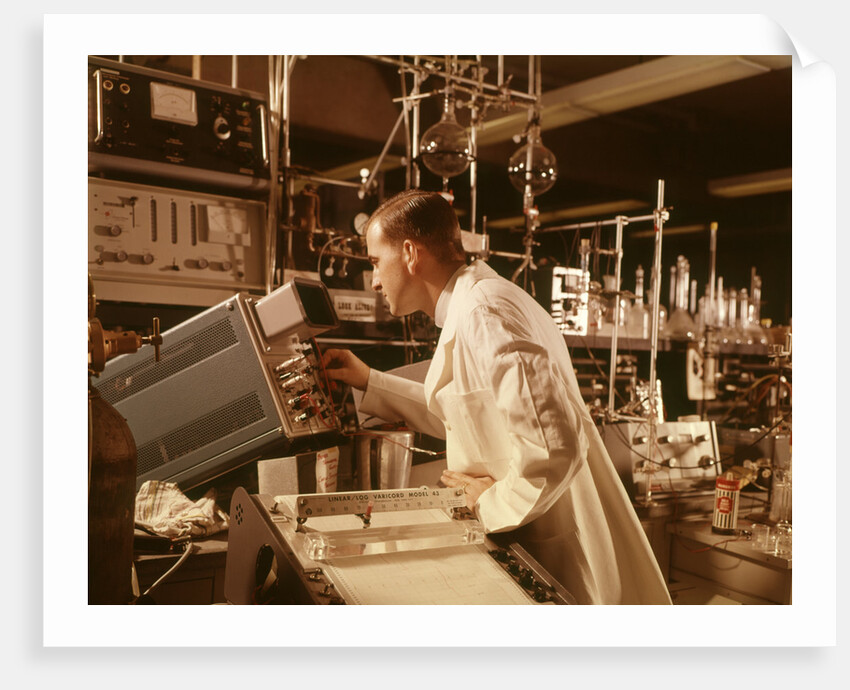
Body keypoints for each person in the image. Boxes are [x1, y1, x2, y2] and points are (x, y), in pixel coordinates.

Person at [322, 189, 672, 605]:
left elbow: (554, 446)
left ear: (411, 254)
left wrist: (488, 504)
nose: (375, 279)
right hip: (527, 542)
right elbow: (467, 415)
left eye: (376, 262)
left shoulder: (485, 310)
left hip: (547, 548)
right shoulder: (475, 302)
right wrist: (369, 381)